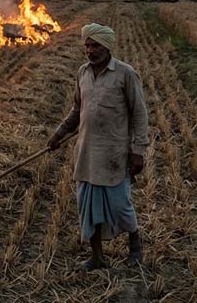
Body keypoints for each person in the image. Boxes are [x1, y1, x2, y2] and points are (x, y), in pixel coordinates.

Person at [47, 23, 149, 271]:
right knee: (88, 207)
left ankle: (135, 246)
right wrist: (59, 133)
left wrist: (139, 150)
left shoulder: (125, 74)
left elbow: (139, 114)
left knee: (120, 205)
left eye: (96, 45)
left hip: (114, 153)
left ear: (107, 47)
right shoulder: (82, 73)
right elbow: (76, 109)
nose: (91, 51)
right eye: (87, 46)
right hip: (86, 153)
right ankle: (97, 257)